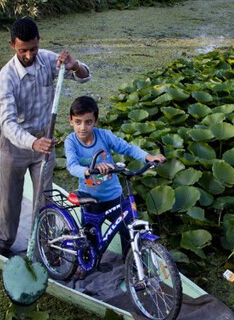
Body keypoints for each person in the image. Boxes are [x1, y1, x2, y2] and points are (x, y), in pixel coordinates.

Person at [0, 17, 90, 255]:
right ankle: (3, 243)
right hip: (15, 145)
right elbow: (7, 124)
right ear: (12, 46)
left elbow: (85, 76)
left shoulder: (47, 59)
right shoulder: (5, 79)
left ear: (39, 43)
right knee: (9, 199)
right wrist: (32, 142)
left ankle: (46, 246)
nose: (29, 54)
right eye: (23, 50)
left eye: (33, 48)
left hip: (44, 142)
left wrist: (74, 65)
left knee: (45, 199)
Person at [64, 95, 165, 255]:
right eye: (78, 122)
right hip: (91, 198)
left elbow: (128, 148)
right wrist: (89, 170)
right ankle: (83, 266)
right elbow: (72, 166)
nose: (83, 127)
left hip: (114, 196)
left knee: (128, 232)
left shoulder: (104, 135)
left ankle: (131, 265)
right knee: (90, 239)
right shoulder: (71, 141)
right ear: (71, 120)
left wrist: (149, 157)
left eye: (88, 122)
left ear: (95, 121)